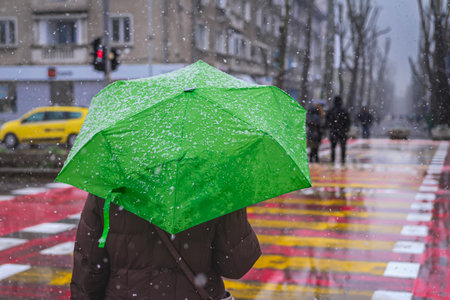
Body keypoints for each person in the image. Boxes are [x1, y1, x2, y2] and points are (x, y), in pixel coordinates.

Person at [71, 193, 261, 299]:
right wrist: (234, 205)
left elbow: (89, 268)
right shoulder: (215, 184)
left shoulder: (109, 186)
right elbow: (236, 265)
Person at [326, 96, 351, 165]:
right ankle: (343, 160)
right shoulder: (344, 110)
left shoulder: (331, 110)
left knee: (333, 147)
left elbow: (327, 120)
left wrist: (330, 127)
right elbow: (348, 121)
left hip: (333, 131)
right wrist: (346, 129)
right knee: (343, 147)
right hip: (342, 131)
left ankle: (332, 160)